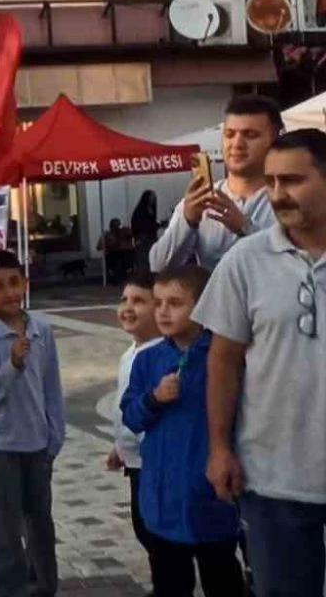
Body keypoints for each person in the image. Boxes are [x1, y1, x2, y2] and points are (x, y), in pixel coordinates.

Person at [195, 129, 326, 597]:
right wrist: (219, 448)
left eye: (292, 180)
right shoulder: (245, 261)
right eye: (270, 182)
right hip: (273, 481)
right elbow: (223, 361)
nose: (277, 194)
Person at [122, 266, 243, 597]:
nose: (163, 311)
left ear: (203, 306)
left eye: (175, 303)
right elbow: (131, 416)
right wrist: (153, 399)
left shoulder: (222, 357)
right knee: (170, 582)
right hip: (163, 497)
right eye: (158, 302)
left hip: (210, 495)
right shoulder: (148, 360)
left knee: (223, 577)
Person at [0, 250, 64, 597]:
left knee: (40, 522)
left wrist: (55, 436)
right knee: (5, 529)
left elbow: (51, 387)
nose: (8, 292)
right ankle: (5, 589)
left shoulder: (42, 330)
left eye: (13, 282)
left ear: (25, 283)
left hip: (37, 443)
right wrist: (11, 366)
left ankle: (43, 586)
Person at [150, 96, 281, 272]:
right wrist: (188, 220)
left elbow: (296, 261)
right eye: (229, 134)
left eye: (250, 135)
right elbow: (158, 267)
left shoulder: (287, 198)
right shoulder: (200, 199)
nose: (237, 144)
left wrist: (245, 228)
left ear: (274, 139)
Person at [105, 272, 164, 585]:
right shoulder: (130, 352)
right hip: (134, 459)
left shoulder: (160, 355)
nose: (128, 307)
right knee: (143, 526)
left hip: (153, 460)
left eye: (139, 301)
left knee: (154, 529)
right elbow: (124, 407)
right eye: (124, 300)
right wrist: (119, 445)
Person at [131, 190, 162, 274]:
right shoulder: (141, 210)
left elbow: (150, 223)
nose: (153, 199)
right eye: (152, 197)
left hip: (150, 236)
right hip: (143, 237)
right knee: (143, 258)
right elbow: (139, 224)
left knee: (151, 257)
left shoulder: (150, 209)